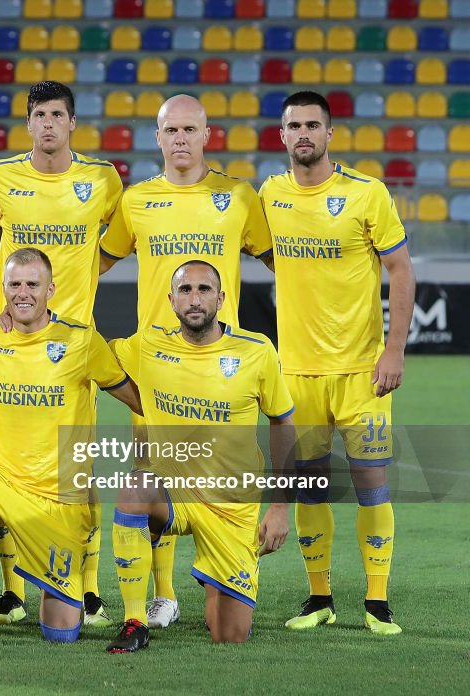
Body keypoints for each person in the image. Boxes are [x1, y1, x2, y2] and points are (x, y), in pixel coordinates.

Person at [98, 94, 274, 629]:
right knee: (148, 474)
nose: (180, 139)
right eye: (170, 130)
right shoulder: (136, 201)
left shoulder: (239, 197)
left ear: (206, 134)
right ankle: (163, 594)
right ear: (159, 137)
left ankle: (222, 560)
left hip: (222, 364)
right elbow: (95, 266)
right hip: (155, 364)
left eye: (189, 129)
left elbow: (280, 263)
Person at [0, 248, 142, 648]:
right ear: (2, 288)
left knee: (60, 632)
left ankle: (56, 592)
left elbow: (137, 399)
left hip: (55, 500)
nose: (22, 292)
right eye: (14, 284)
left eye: (32, 284)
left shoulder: (80, 342)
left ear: (51, 289)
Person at [260, 91, 415, 636]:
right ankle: (319, 596)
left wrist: (393, 349)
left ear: (330, 135)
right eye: (293, 125)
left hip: (360, 372)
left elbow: (399, 270)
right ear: (281, 136)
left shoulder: (366, 194)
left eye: (312, 125)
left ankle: (377, 601)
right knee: (310, 485)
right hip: (297, 372)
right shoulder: (270, 194)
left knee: (371, 483)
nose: (303, 133)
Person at [0, 81, 124, 628]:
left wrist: (81, 285)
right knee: (7, 466)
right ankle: (11, 594)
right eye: (38, 114)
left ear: (72, 123)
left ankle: (86, 591)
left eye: (56, 114)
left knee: (75, 471)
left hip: (72, 350)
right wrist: (7, 301)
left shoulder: (101, 180)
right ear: (28, 124)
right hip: (11, 347)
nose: (47, 124)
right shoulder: (2, 177)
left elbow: (115, 242)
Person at [106, 260, 295, 652]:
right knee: (134, 486)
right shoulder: (147, 344)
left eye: (204, 289)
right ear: (172, 301)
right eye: (186, 290)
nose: (195, 299)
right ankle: (134, 621)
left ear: (221, 299)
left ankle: (214, 571)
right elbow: (93, 357)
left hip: (232, 507)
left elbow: (283, 423)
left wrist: (279, 507)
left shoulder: (257, 352)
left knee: (229, 635)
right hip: (174, 492)